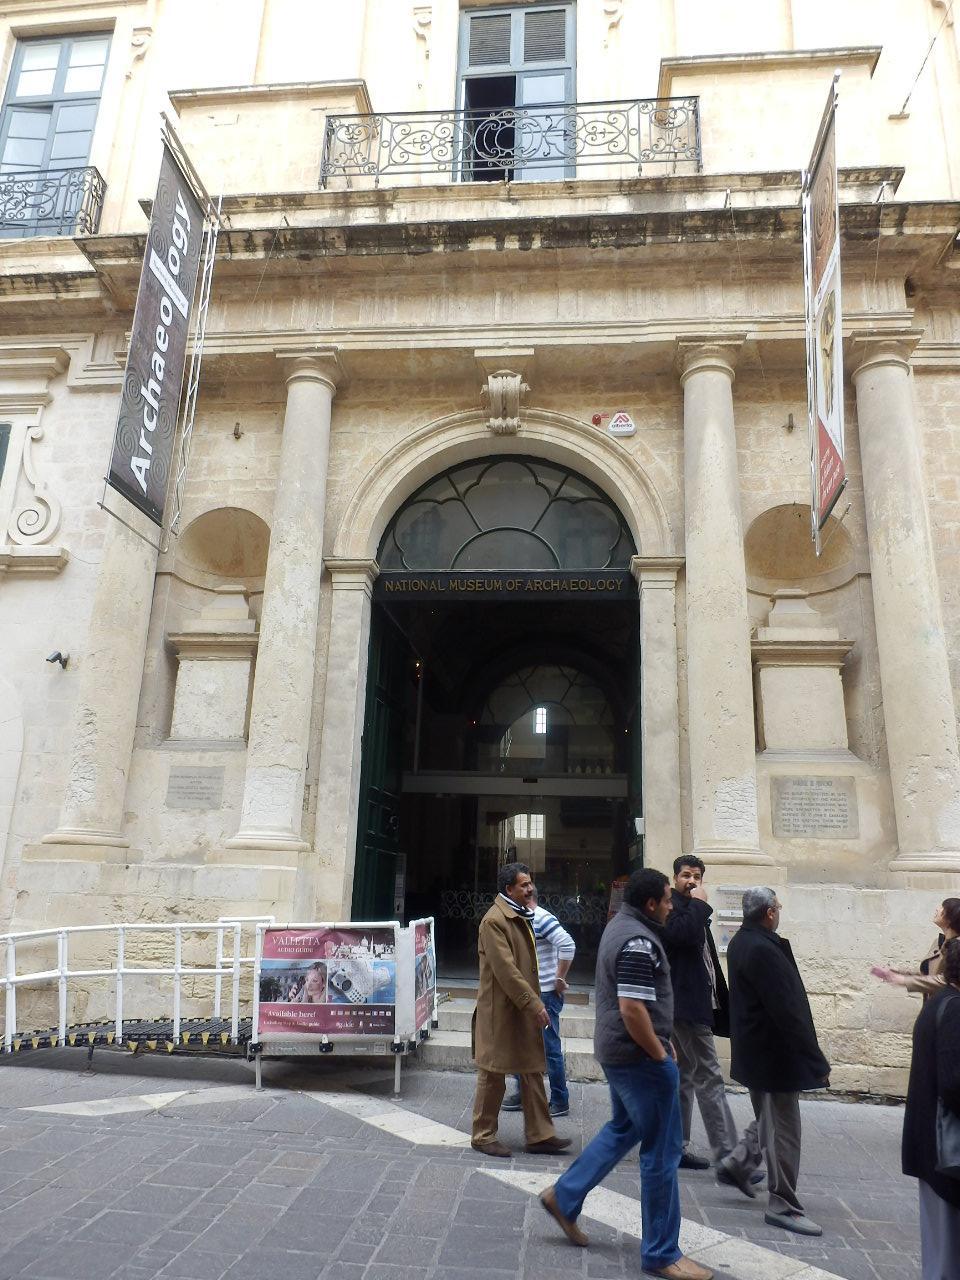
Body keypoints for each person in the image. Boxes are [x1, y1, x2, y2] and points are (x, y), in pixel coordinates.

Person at [539, 868, 713, 1280]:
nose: (672, 907)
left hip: (619, 1050)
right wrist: (658, 1051)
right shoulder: (638, 940)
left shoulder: (622, 925)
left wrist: (659, 1038)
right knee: (662, 1152)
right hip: (639, 1058)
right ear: (651, 904)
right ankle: (662, 1252)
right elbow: (633, 1008)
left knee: (624, 1128)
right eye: (667, 900)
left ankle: (565, 1196)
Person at [725, 887, 830, 1238]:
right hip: (775, 1055)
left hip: (757, 1052)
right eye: (778, 908)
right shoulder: (762, 948)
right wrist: (814, 1058)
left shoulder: (742, 941)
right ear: (770, 912)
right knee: (784, 1130)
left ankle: (740, 1162)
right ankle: (783, 1204)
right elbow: (788, 1010)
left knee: (769, 1118)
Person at [663, 855, 762, 1195]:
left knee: (685, 1078)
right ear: (674, 878)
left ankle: (676, 1147)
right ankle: (729, 1157)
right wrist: (700, 904)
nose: (692, 881)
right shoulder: (676, 908)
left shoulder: (692, 910)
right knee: (709, 1077)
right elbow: (681, 937)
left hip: (694, 1005)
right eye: (685, 875)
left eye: (697, 876)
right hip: (685, 1007)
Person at [470, 861, 572, 1158]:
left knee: (531, 1068)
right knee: (493, 1072)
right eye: (524, 885)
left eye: (530, 883)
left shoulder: (520, 915)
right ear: (509, 889)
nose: (530, 889)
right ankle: (483, 1135)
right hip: (500, 1011)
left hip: (520, 1007)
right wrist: (534, 1003)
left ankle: (540, 1135)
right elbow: (507, 971)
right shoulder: (494, 921)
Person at [902, 937, 960, 1279]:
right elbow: (954, 1084)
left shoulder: (940, 1003)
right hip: (947, 1152)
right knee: (948, 1257)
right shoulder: (954, 1010)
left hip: (932, 1145)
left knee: (939, 1251)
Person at [502, 886, 576, 1117]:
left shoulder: (542, 918)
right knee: (520, 1043)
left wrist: (559, 978)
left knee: (550, 1048)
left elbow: (567, 944)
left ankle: (560, 1100)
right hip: (528, 994)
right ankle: (523, 1093)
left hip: (545, 995)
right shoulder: (522, 919)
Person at [871, 898, 960, 1000]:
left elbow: (949, 982)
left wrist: (904, 980)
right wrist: (896, 973)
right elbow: (928, 974)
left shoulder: (957, 947)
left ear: (951, 918)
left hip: (948, 1005)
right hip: (933, 1003)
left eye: (942, 908)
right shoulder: (939, 942)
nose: (937, 909)